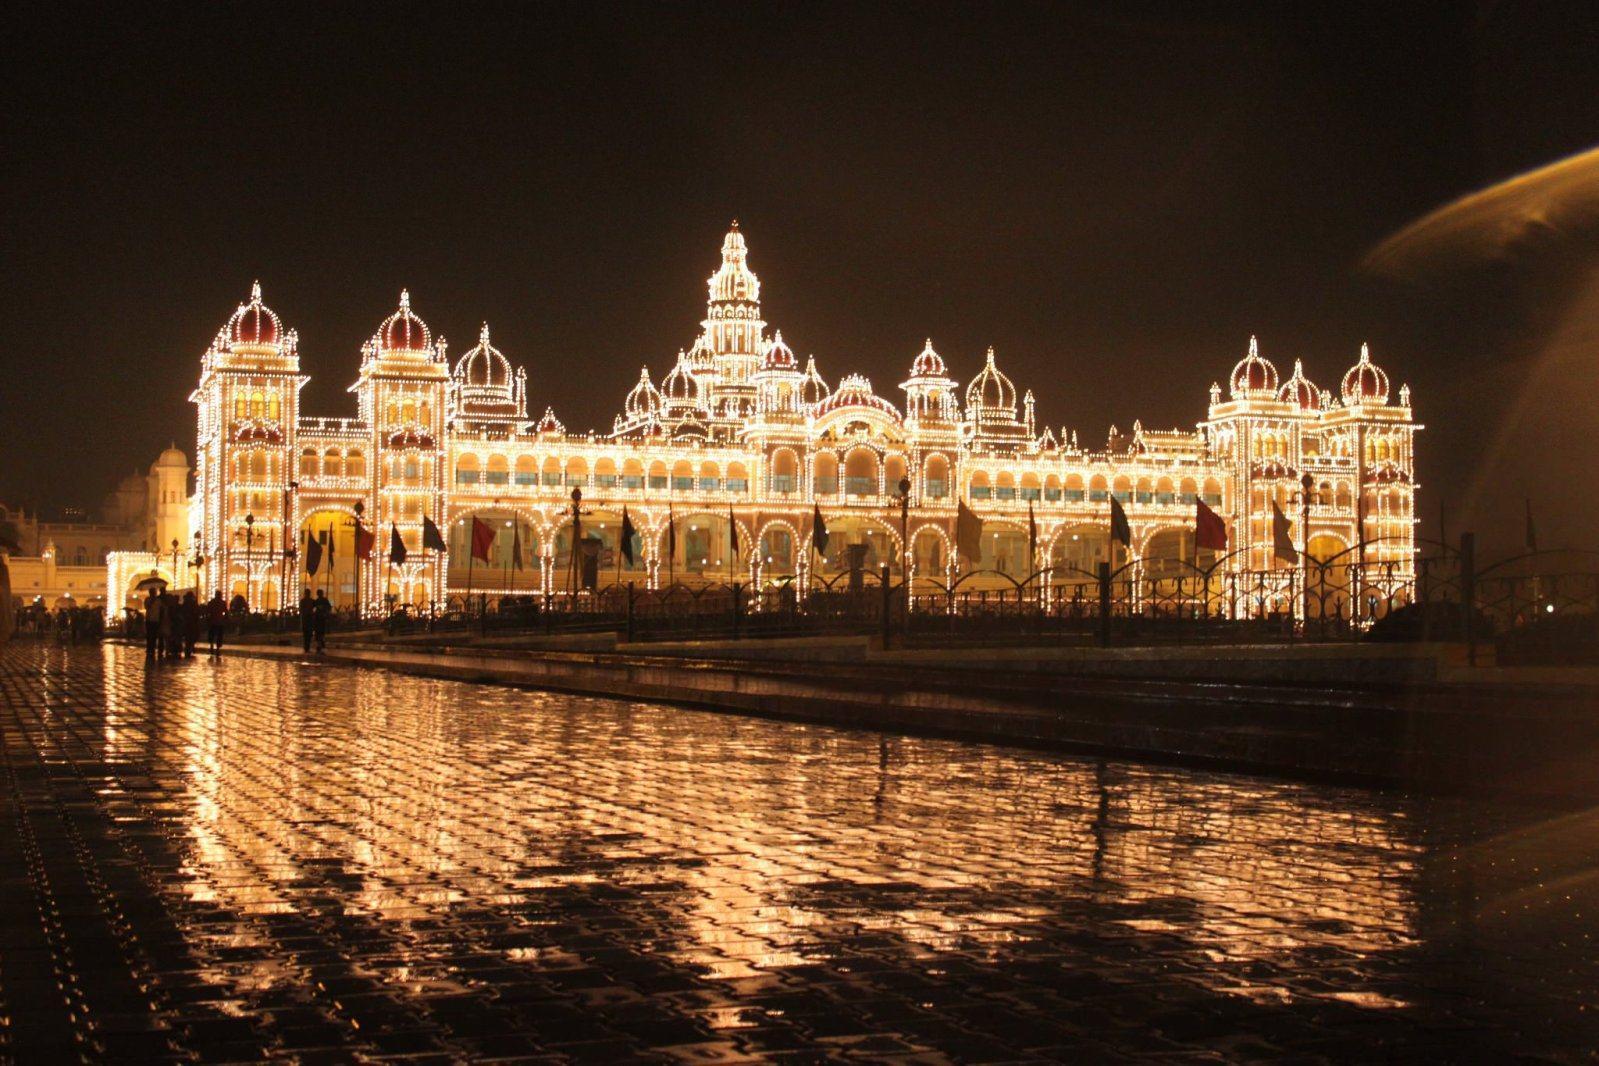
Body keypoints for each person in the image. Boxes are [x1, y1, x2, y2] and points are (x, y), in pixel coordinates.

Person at [144, 588, 164, 660]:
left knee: (155, 635)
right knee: (149, 636)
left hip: (156, 620)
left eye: (153, 592)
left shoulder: (159, 601)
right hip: (149, 620)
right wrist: (152, 601)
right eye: (151, 592)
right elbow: (147, 607)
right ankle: (149, 648)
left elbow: (161, 609)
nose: (152, 594)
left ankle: (153, 648)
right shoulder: (147, 599)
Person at [205, 591, 227, 655]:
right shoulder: (222, 603)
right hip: (219, 622)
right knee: (219, 636)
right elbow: (225, 611)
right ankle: (217, 648)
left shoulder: (212, 602)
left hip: (213, 621)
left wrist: (208, 618)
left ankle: (212, 647)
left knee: (212, 635)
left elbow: (207, 611)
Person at [180, 591, 201, 658]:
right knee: (190, 636)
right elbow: (196, 612)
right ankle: (189, 647)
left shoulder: (186, 603)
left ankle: (188, 648)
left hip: (188, 622)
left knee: (188, 637)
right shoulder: (192, 603)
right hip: (191, 622)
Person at [299, 589, 316, 653]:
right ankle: (306, 647)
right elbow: (301, 610)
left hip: (307, 619)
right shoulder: (306, 601)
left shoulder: (306, 601)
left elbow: (301, 610)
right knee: (307, 634)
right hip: (307, 619)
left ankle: (306, 647)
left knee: (307, 634)